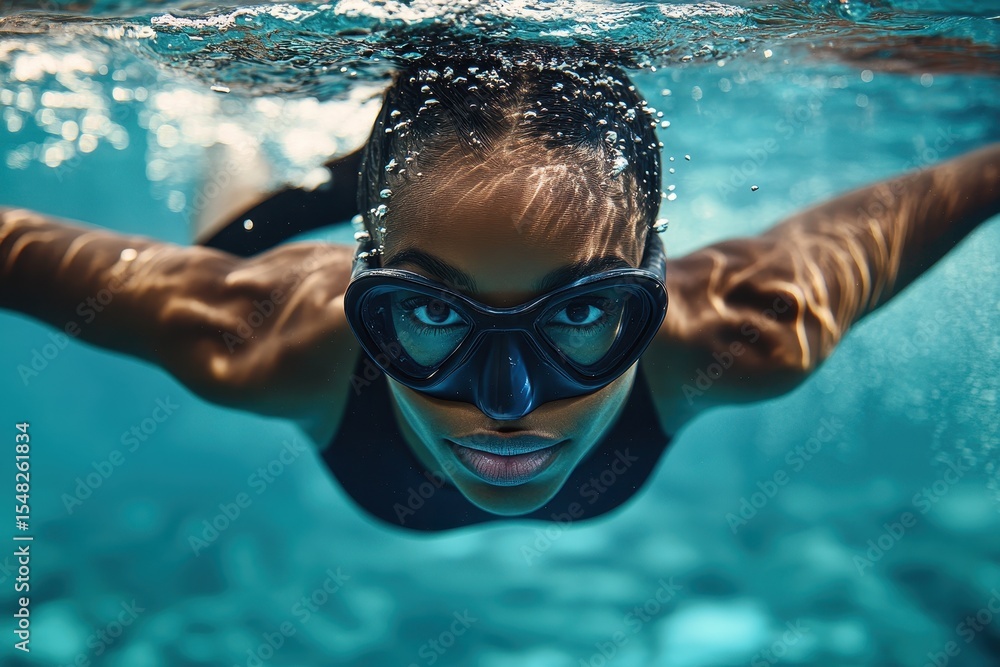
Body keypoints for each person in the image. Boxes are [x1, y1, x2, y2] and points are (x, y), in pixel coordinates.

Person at [2, 53, 998, 531]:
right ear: (360, 284)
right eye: (429, 311)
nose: (506, 404)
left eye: (581, 311)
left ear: (652, 287)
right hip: (331, 232)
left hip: (406, 200)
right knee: (229, 226)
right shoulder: (257, 330)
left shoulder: (745, 327)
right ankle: (247, 130)